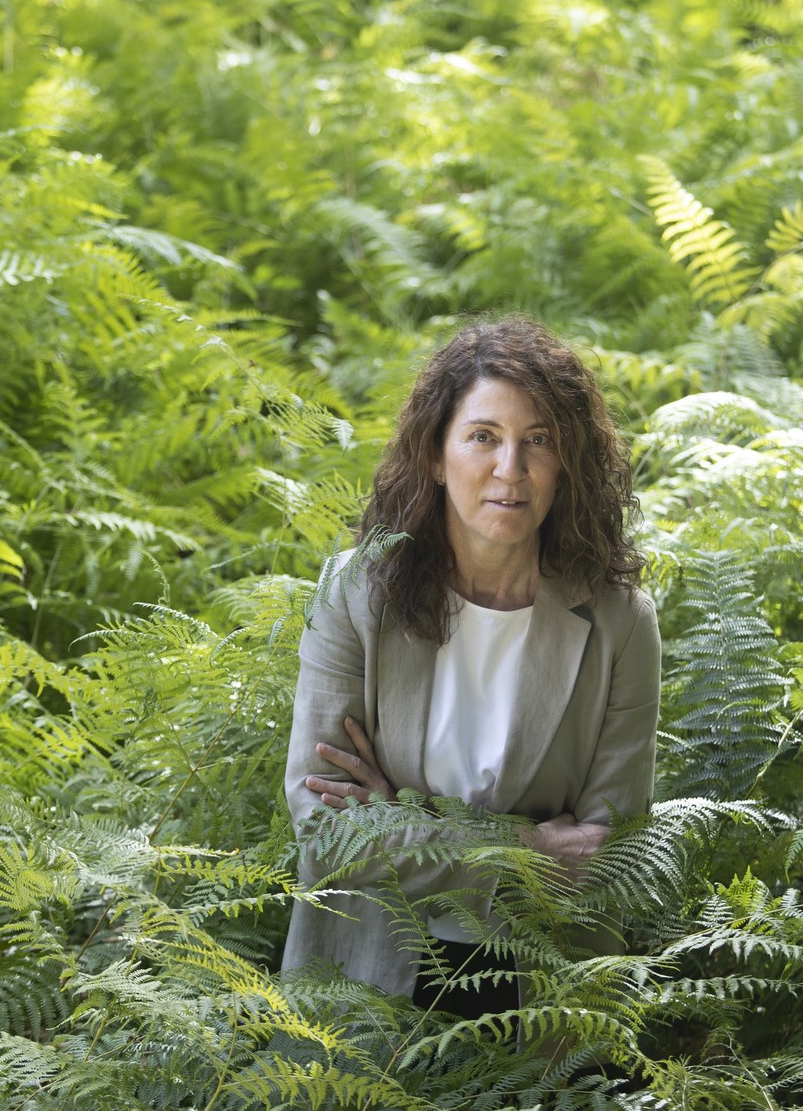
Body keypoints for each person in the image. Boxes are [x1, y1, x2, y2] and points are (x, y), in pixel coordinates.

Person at [280, 316, 660, 1015]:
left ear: (568, 460)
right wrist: (528, 853)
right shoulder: (357, 592)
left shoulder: (619, 623)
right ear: (435, 453)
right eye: (483, 436)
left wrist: (396, 822)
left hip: (542, 1002)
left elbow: (608, 859)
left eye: (537, 441)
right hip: (363, 981)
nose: (509, 470)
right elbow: (325, 826)